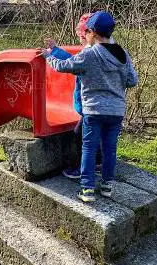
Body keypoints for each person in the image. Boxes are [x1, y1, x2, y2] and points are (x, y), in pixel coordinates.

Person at [41, 11, 138, 202]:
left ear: (92, 32)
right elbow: (132, 80)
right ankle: (108, 186)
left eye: (87, 33)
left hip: (94, 111)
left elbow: (63, 66)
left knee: (89, 148)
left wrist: (47, 56)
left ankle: (87, 189)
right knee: (110, 149)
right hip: (116, 112)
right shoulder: (123, 54)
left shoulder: (90, 54)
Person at [45, 13, 102, 179]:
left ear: (90, 35)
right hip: (99, 107)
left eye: (81, 38)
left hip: (90, 107)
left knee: (81, 137)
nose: (80, 41)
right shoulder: (99, 52)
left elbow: (66, 64)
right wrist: (55, 49)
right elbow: (72, 60)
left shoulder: (89, 54)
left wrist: (49, 56)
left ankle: (81, 169)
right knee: (96, 137)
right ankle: (99, 163)